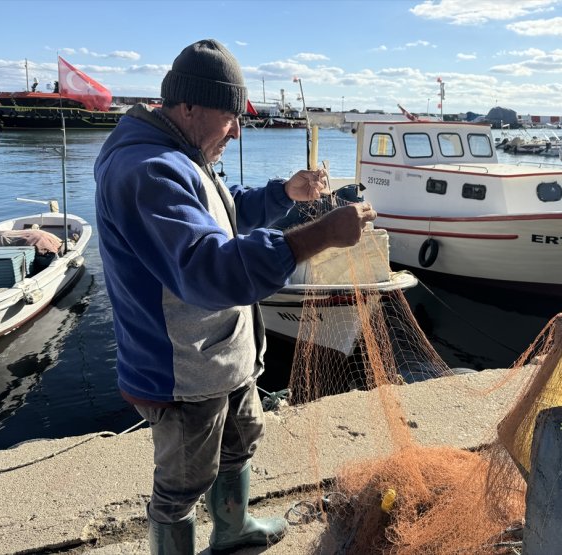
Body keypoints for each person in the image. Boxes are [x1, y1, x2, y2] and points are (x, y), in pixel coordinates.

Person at [93, 39, 376, 555]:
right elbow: (208, 269)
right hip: (181, 370)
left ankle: (233, 528)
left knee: (240, 438)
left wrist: (283, 195)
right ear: (190, 107)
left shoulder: (180, 152)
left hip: (221, 356)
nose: (238, 131)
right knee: (181, 485)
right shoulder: (148, 170)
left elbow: (218, 211)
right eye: (231, 118)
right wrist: (320, 235)